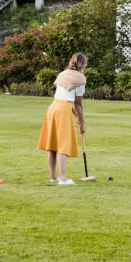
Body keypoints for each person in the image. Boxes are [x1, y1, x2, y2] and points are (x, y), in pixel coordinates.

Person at [37, 53, 87, 185]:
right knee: (63, 144)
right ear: (84, 65)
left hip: (53, 107)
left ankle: (53, 177)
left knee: (52, 144)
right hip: (63, 110)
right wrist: (82, 123)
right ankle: (63, 179)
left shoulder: (63, 73)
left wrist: (76, 117)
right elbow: (78, 104)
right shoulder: (81, 79)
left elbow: (66, 97)